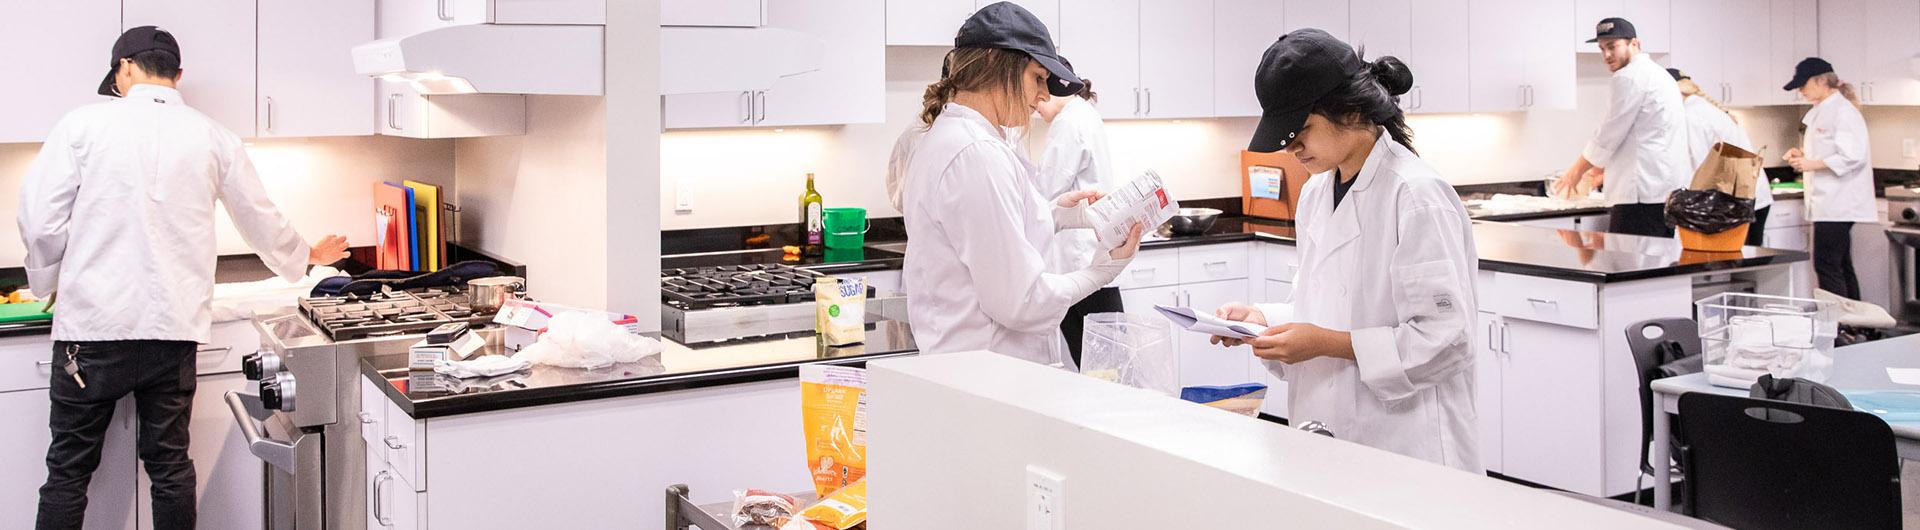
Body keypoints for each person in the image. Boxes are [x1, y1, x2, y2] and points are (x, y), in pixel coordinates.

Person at [18, 26, 349, 530]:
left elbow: (41, 221)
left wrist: (45, 282)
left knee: (67, 471)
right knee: (170, 468)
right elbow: (259, 217)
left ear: (124, 68)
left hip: (91, 331)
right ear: (178, 75)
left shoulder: (81, 127)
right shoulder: (214, 136)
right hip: (171, 331)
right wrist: (303, 258)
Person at [1209, 29, 1482, 472]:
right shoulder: (1318, 192)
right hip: (1327, 429)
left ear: (1352, 112)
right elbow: (1320, 301)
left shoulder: (1416, 194)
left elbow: (1446, 339)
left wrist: (1326, 344)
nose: (1291, 146)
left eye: (1302, 130)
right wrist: (1262, 320)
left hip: (1407, 442)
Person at [901, 2, 1144, 366]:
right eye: (1039, 78)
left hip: (978, 373)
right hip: (989, 376)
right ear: (996, 64)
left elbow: (987, 235)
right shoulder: (976, 153)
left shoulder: (960, 139)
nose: (1044, 95)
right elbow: (1022, 301)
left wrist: (1059, 215)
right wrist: (1101, 272)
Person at [1552, 17, 1690, 238]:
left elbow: (1608, 135)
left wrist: (1574, 173)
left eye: (1612, 46)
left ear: (1634, 44)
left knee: (1629, 265)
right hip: (1662, 193)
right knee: (1654, 265)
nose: (1606, 55)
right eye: (1602, 48)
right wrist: (1599, 170)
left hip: (1638, 197)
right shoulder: (1659, 74)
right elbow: (1638, 136)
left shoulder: (1628, 78)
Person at [1033, 77, 1125, 366]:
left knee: (1098, 366)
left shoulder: (1068, 122)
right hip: (1092, 252)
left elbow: (1046, 188)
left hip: (1077, 261)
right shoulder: (1086, 114)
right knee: (1108, 364)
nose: (1035, 107)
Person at [1782, 57, 1874, 300]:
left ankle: (1838, 327)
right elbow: (1831, 151)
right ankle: (1853, 327)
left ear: (1821, 80)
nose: (1801, 91)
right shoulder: (1823, 111)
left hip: (1839, 203)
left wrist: (1811, 164)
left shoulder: (1843, 111)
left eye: (1803, 85)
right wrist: (1803, 156)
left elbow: (1853, 155)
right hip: (1829, 203)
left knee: (1827, 266)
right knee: (1840, 265)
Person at [1668, 67, 1772, 245]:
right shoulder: (1702, 108)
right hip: (1751, 195)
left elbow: (1701, 170)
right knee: (1747, 266)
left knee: (1736, 265)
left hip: (1739, 201)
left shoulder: (1691, 116)